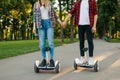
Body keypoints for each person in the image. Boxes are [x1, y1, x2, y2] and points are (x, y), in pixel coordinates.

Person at [62, 0, 98, 66]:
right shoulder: (78, 2)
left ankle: (90, 58)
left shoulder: (92, 1)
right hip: (80, 25)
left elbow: (95, 14)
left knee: (90, 41)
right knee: (81, 42)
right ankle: (82, 57)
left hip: (89, 25)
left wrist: (94, 26)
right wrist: (65, 21)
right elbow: (71, 12)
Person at [33, 0, 62, 67]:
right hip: (40, 24)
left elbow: (54, 14)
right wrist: (34, 27)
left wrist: (60, 22)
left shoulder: (49, 3)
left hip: (49, 23)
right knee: (42, 44)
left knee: (50, 42)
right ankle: (44, 59)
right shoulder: (36, 4)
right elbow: (34, 17)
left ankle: (51, 59)